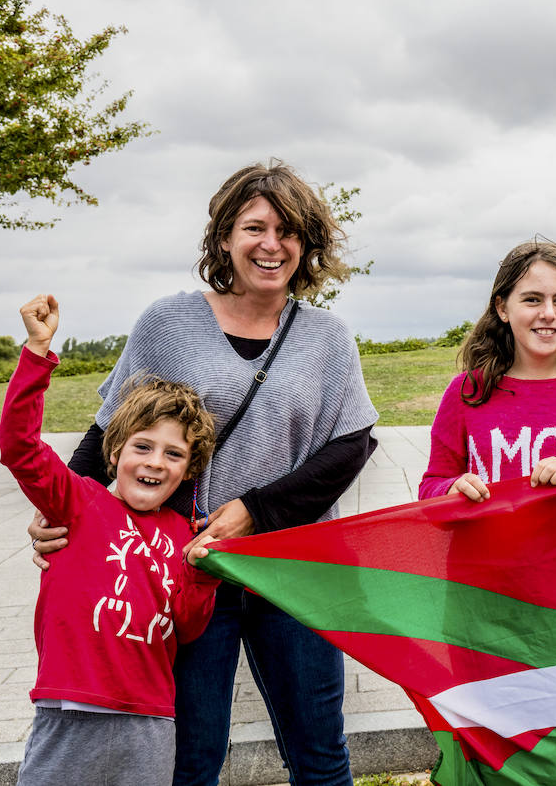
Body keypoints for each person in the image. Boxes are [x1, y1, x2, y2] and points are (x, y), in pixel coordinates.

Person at [29, 162, 379, 786]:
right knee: (191, 760)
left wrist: (256, 511)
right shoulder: (169, 324)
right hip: (185, 570)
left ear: (307, 244)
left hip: (295, 571)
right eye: (255, 228)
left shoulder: (326, 337)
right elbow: (109, 431)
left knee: (320, 756)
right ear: (224, 237)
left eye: (289, 231)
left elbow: (351, 446)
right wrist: (62, 512)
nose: (272, 244)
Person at [1, 294, 220, 786]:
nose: (155, 462)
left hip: (152, 719)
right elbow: (19, 448)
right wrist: (37, 353)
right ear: (116, 450)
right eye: (143, 446)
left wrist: (203, 578)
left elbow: (187, 628)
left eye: (174, 454)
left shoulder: (183, 533)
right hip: (71, 709)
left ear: (189, 470)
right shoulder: (77, 501)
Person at [419, 240, 556, 501]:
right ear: (502, 308)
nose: (548, 313)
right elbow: (430, 488)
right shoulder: (466, 391)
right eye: (532, 300)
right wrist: (451, 488)